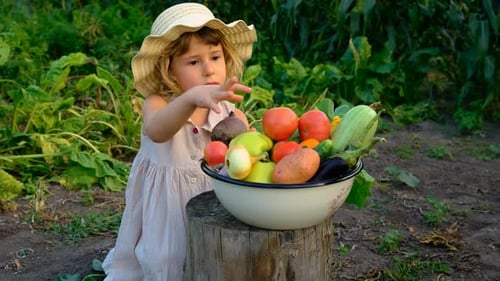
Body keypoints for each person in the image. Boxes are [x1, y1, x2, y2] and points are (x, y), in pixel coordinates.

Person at [101, 2, 257, 280]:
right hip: (167, 209)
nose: (208, 70)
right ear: (169, 69)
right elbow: (157, 131)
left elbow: (244, 162)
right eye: (193, 62)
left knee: (213, 254)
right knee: (166, 258)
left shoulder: (232, 115)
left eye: (215, 57)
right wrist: (189, 100)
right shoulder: (158, 104)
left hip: (212, 205)